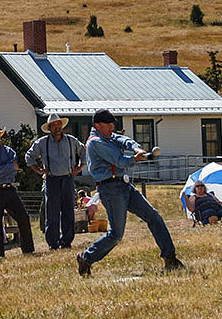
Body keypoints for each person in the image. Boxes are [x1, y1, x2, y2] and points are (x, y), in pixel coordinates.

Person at [76, 109, 185, 277]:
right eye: (108, 124)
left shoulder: (108, 136)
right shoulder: (96, 142)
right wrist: (135, 158)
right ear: (97, 125)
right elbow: (119, 161)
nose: (112, 127)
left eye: (113, 123)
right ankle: (87, 257)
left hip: (124, 185)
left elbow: (123, 139)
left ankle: (170, 258)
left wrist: (136, 148)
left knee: (154, 217)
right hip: (110, 189)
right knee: (116, 234)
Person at [26, 114, 86, 250]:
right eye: (54, 125)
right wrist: (39, 170)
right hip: (52, 180)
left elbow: (83, 151)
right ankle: (53, 243)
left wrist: (80, 167)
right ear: (50, 127)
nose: (57, 127)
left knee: (68, 212)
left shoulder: (71, 141)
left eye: (59, 124)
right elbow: (29, 156)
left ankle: (66, 241)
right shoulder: (42, 142)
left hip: (68, 179)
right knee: (52, 214)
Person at [0, 123, 35, 258]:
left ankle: (28, 250)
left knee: (23, 217)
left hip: (9, 188)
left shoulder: (10, 151)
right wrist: (8, 167)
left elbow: (10, 173)